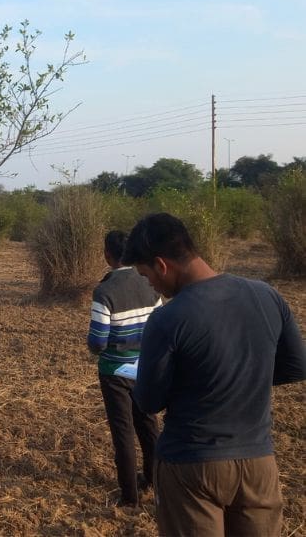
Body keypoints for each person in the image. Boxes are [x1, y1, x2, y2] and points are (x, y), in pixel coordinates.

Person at [122, 212, 306, 536]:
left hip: (189, 466)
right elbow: (296, 366)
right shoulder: (267, 296)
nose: (149, 283)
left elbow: (149, 401)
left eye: (145, 274)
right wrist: (242, 373)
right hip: (258, 462)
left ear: (162, 265)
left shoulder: (167, 319)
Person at [87, 230, 162, 507]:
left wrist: (96, 348)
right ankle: (155, 481)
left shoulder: (104, 290)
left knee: (123, 432)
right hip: (145, 369)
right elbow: (159, 324)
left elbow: (97, 341)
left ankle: (130, 497)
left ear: (108, 255)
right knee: (148, 424)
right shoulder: (149, 282)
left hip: (114, 373)